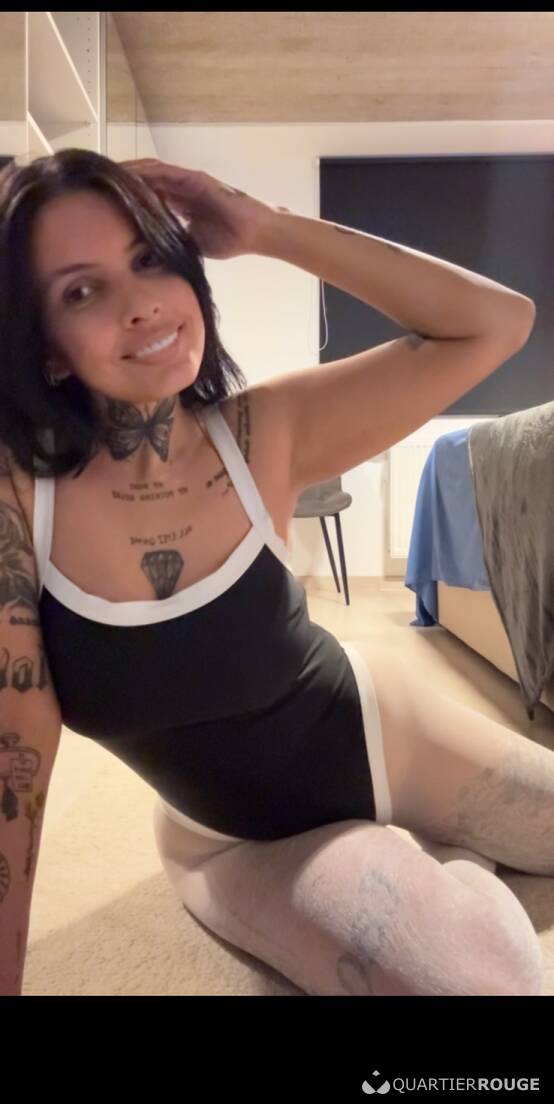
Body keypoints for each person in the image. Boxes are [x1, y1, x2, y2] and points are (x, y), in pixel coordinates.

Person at [0, 148, 548, 998]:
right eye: (82, 291)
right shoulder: (19, 502)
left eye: (149, 258)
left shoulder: (265, 431)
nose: (141, 303)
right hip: (235, 836)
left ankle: (438, 853)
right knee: (475, 985)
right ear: (47, 350)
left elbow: (498, 323)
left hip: (383, 732)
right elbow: (15, 768)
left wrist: (267, 229)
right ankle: (431, 869)